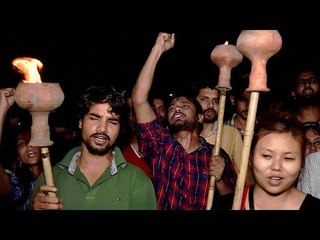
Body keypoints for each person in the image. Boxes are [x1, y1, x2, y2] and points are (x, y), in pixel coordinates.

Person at [131, 32, 237, 210]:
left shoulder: (217, 154)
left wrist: (219, 180)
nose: (177, 108)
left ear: (200, 117)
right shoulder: (160, 145)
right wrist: (157, 49)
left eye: (185, 105)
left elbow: (232, 199)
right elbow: (139, 99)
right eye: (172, 107)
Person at [31, 85, 157, 210]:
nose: (102, 128)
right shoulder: (50, 178)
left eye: (112, 121)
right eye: (95, 118)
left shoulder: (137, 180)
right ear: (80, 122)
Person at [215, 114, 320, 210]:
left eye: (288, 158)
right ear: (250, 158)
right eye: (267, 156)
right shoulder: (225, 205)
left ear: (301, 163)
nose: (276, 166)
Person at [195, 81, 254, 184]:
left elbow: (243, 177)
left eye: (216, 101)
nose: (211, 105)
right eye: (204, 99)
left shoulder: (231, 133)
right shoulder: (185, 133)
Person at [0, 88, 43, 210]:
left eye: (31, 140)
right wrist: (2, 109)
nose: (28, 145)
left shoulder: (61, 174)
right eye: (21, 144)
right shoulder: (17, 185)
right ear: (18, 156)